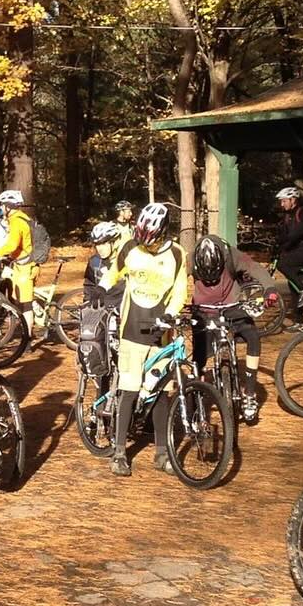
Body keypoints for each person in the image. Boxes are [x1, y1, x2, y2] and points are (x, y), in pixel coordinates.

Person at [100, 203, 188, 477]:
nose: (145, 244)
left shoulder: (176, 253)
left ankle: (162, 453)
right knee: (129, 389)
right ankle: (119, 454)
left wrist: (172, 315)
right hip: (131, 330)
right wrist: (98, 291)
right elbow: (111, 273)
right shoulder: (129, 248)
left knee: (161, 393)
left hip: (160, 333)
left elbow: (180, 289)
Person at [189, 234, 278, 422]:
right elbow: (173, 277)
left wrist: (270, 289)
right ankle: (197, 396)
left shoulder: (230, 254)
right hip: (205, 310)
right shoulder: (191, 258)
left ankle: (250, 394)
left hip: (232, 305)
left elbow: (255, 268)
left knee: (253, 336)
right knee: (199, 355)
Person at [0, 189, 37, 340]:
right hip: (23, 263)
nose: (1, 208)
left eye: (2, 205)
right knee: (21, 300)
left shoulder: (17, 221)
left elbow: (12, 244)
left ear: (8, 207)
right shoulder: (23, 218)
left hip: (25, 266)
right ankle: (26, 331)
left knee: (26, 304)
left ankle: (28, 338)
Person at [274, 185, 303, 324]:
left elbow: (297, 234)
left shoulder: (302, 213)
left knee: (283, 264)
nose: (282, 204)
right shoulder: (287, 216)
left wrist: (285, 246)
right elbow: (284, 235)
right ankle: (298, 320)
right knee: (293, 284)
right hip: (296, 249)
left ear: (293, 200)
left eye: (284, 201)